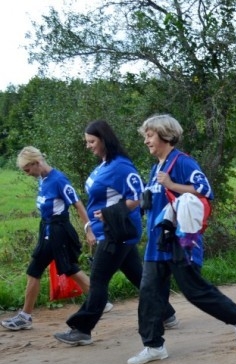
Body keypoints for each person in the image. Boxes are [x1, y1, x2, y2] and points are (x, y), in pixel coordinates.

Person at [127, 114, 236, 364]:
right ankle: (153, 345)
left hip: (180, 240)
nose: (146, 141)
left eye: (149, 135)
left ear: (165, 135)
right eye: (146, 136)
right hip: (157, 240)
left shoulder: (182, 163)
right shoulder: (156, 168)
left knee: (193, 290)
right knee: (150, 292)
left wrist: (173, 184)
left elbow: (205, 190)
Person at [53, 120, 177, 345]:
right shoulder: (104, 164)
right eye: (87, 142)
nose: (88, 146)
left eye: (92, 141)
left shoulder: (121, 166)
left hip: (117, 234)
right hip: (108, 232)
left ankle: (82, 329)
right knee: (138, 276)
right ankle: (166, 313)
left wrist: (110, 213)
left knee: (98, 281)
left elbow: (137, 196)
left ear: (104, 139)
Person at [2, 147, 91, 331]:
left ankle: (98, 299)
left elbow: (78, 204)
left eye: (27, 170)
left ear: (36, 163)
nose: (27, 174)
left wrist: (88, 229)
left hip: (59, 230)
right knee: (40, 270)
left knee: (66, 268)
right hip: (47, 229)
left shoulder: (58, 180)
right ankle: (25, 316)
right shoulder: (42, 179)